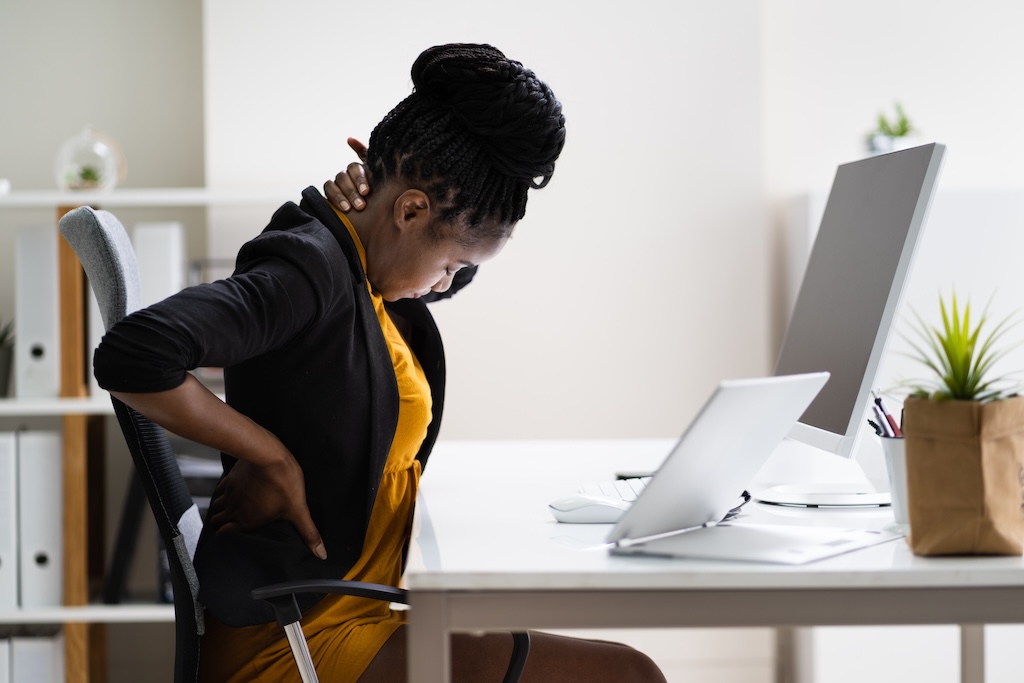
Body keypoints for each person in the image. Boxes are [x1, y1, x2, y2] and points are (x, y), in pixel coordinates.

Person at [94, 43, 666, 682]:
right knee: (628, 676)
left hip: (357, 610)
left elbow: (415, 271)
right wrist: (269, 456)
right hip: (298, 640)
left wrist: (400, 215)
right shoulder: (309, 269)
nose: (448, 285)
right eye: (452, 267)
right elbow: (135, 352)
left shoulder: (365, 273)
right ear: (411, 210)